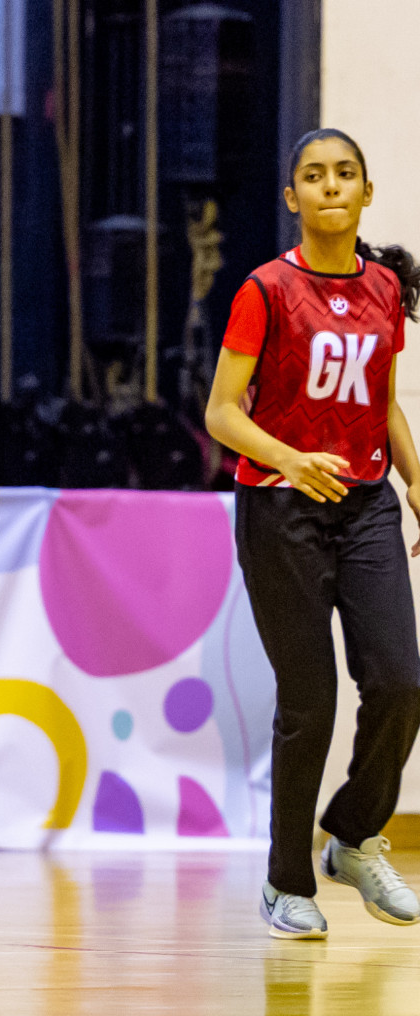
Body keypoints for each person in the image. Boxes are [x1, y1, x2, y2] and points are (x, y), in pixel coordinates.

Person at [205, 128, 420, 940]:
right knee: (310, 704)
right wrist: (291, 460)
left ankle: (354, 839)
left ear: (366, 192)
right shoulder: (264, 290)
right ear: (293, 197)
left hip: (364, 505)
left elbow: (384, 402)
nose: (331, 187)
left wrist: (416, 480)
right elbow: (222, 412)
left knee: (401, 683)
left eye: (345, 174)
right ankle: (285, 880)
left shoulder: (385, 289)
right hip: (280, 508)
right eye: (313, 177)